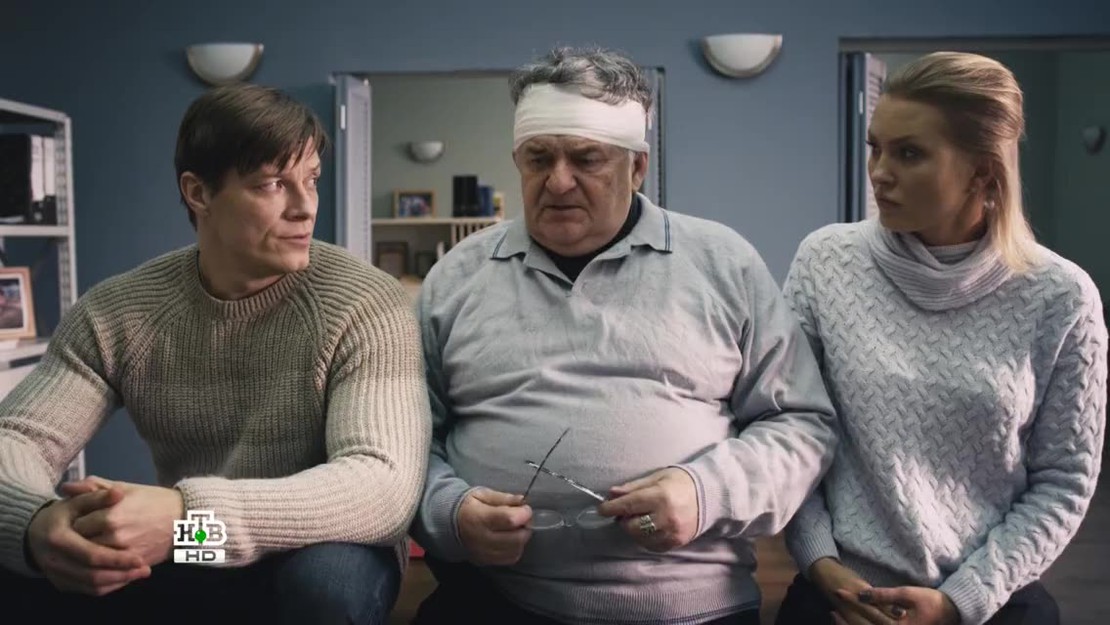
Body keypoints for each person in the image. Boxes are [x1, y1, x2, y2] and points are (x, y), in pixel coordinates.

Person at [410, 46, 838, 625]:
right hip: (494, 596)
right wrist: (450, 511)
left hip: (688, 603)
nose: (558, 181)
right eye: (539, 158)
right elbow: (407, 439)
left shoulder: (722, 263)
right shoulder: (457, 277)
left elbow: (802, 424)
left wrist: (704, 493)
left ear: (637, 168)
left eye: (586, 159)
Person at [0, 84, 431, 624]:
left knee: (326, 586)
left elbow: (382, 487)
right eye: (273, 184)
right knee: (34, 562)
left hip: (316, 540)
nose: (305, 208)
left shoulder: (366, 302)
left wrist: (185, 514)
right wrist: (36, 523)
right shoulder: (117, 312)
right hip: (199, 543)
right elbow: (17, 438)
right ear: (198, 193)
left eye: (312, 179)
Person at [776, 52, 1107, 625]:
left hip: (991, 598)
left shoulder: (1061, 296)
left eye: (909, 154)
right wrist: (819, 562)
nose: (880, 172)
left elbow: (1064, 480)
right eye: (875, 148)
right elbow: (790, 428)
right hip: (838, 595)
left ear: (982, 172)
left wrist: (960, 601)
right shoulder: (825, 261)